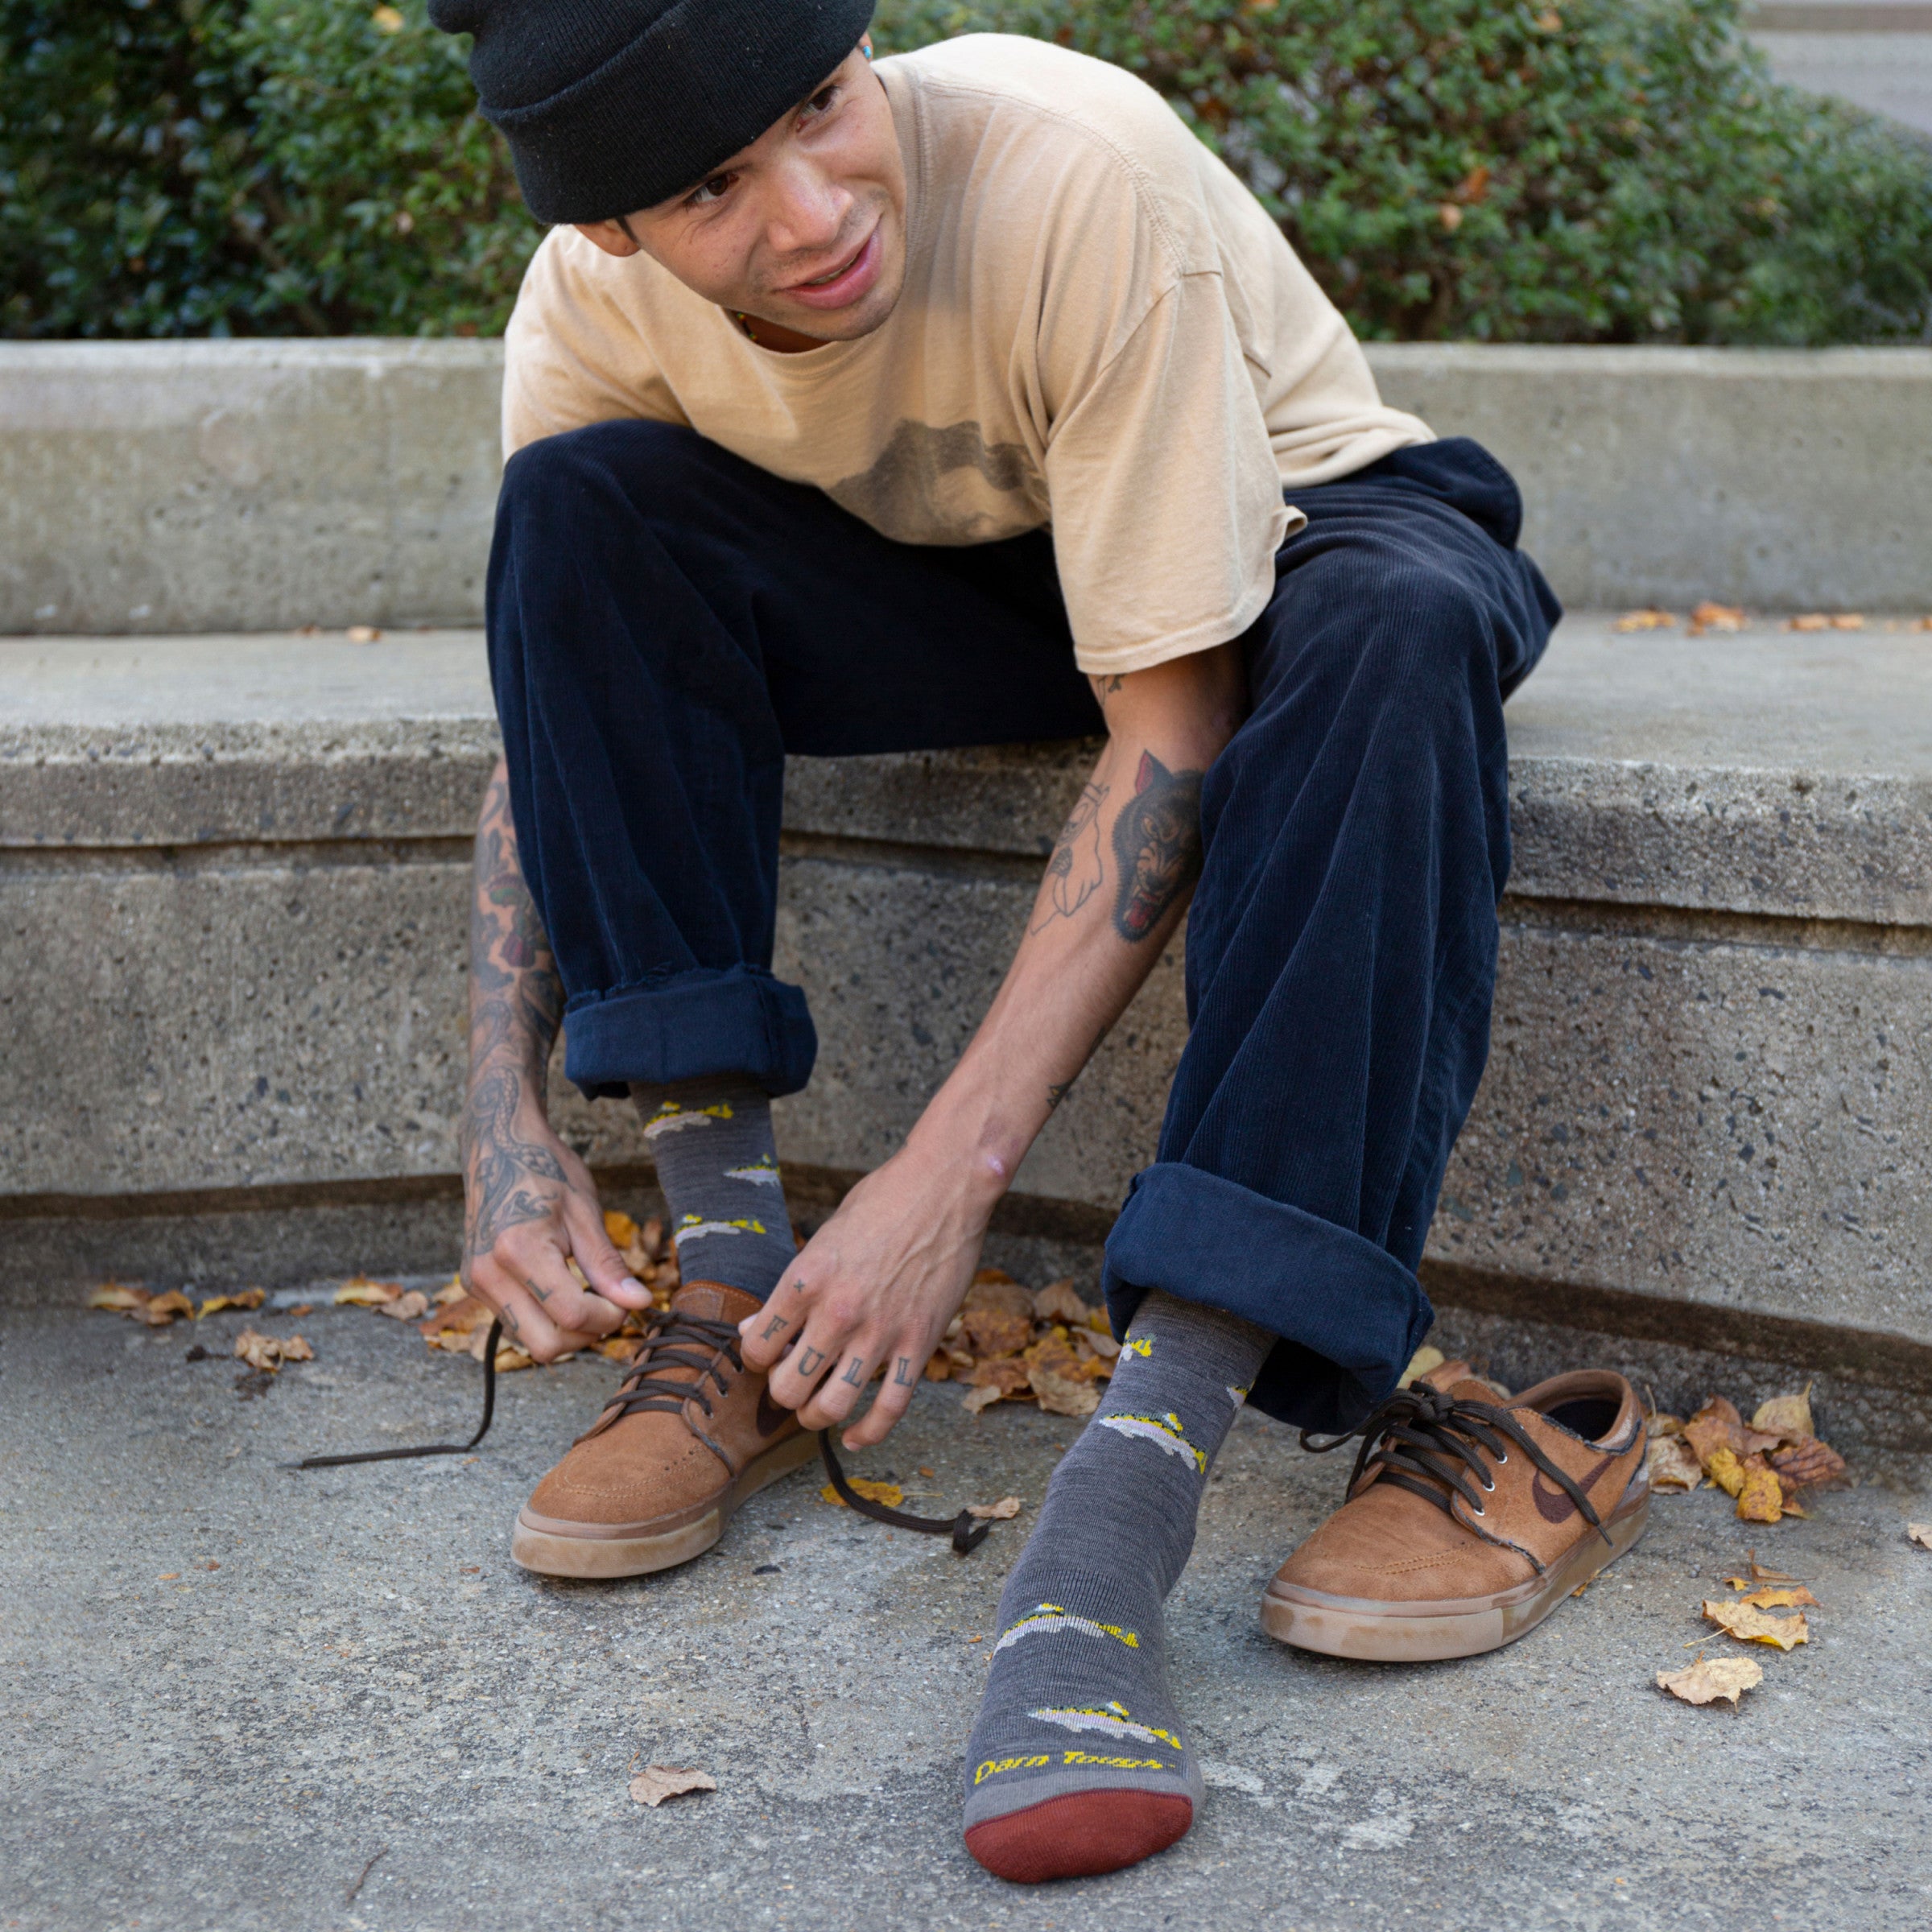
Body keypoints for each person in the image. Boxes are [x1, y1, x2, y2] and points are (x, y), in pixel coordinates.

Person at [434, 0, 1649, 1885]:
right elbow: (555, 698)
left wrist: (947, 1172)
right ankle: (744, 1311)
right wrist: (498, 1119)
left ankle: (1129, 1497)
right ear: (612, 232)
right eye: (712, 187)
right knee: (573, 516)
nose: (817, 204)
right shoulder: (587, 308)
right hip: (977, 571)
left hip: (1325, 527)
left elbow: (1175, 722)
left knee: (1391, 644)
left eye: (822, 106)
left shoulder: (1072, 167)